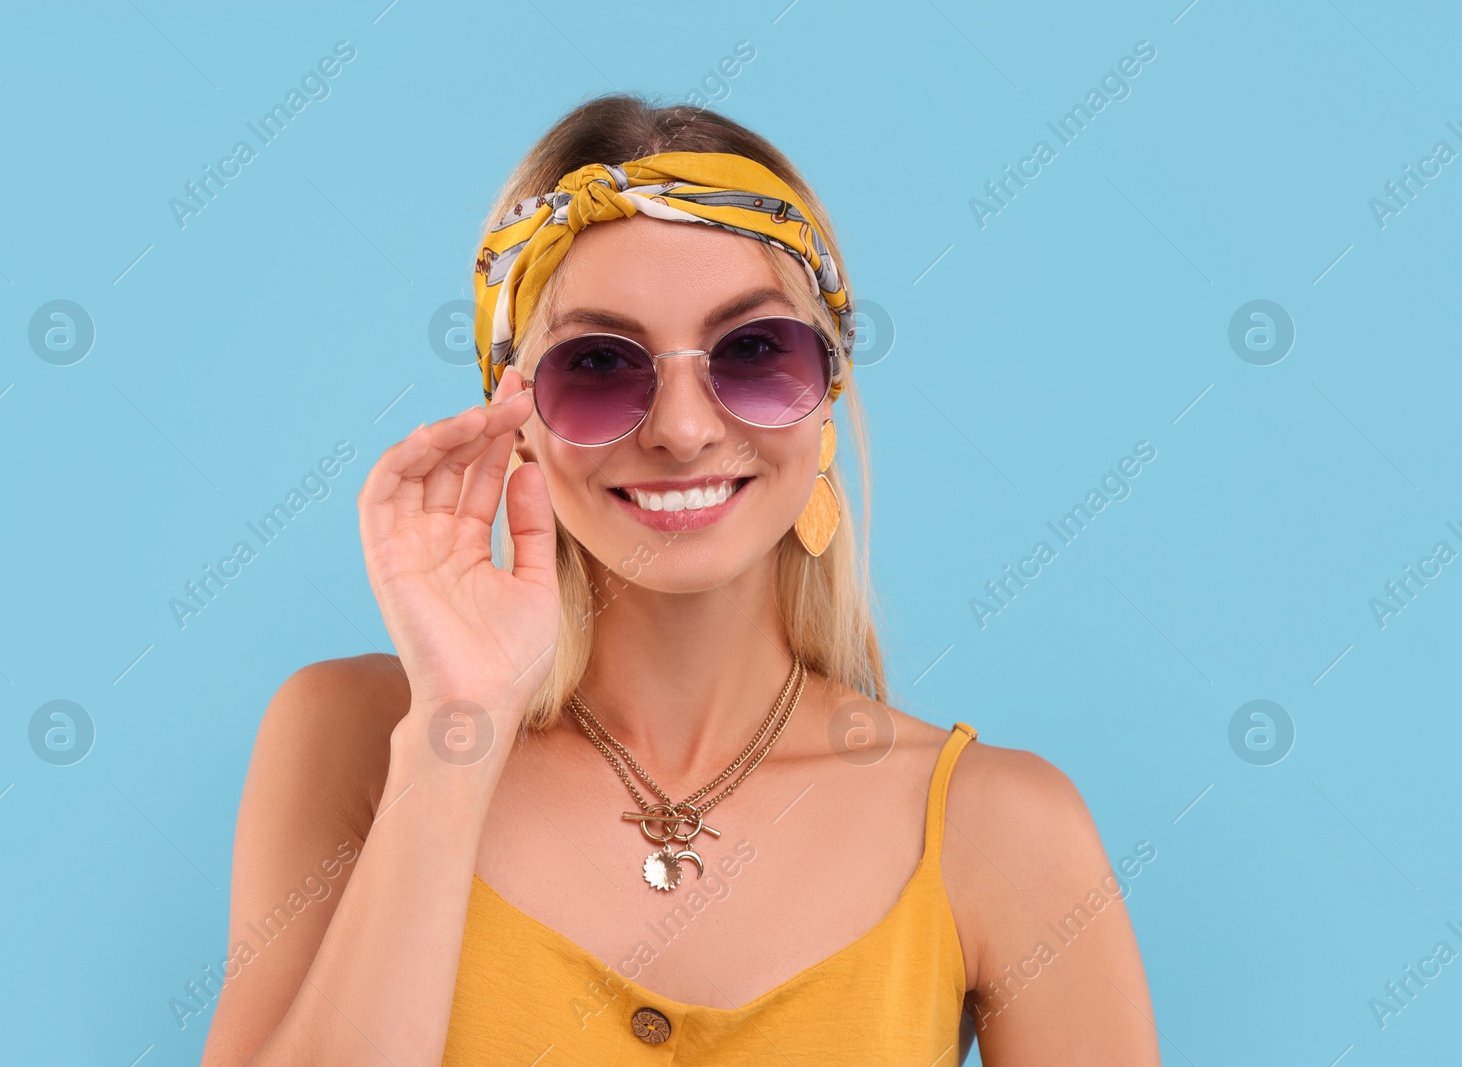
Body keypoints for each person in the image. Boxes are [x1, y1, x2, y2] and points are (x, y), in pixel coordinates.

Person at [200, 94, 1160, 1066]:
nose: (682, 429)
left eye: (753, 353)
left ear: (827, 398)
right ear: (515, 415)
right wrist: (459, 726)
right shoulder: (356, 734)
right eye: (598, 365)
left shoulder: (1000, 829)